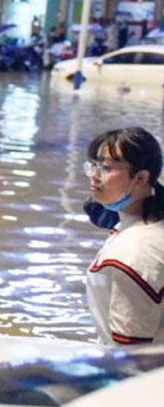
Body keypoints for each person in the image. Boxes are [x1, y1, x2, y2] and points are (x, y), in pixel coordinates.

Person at [83, 126, 164, 346]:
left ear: (141, 178)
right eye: (93, 165)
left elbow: (131, 354)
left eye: (106, 168)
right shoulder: (148, 226)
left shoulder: (133, 253)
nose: (94, 176)